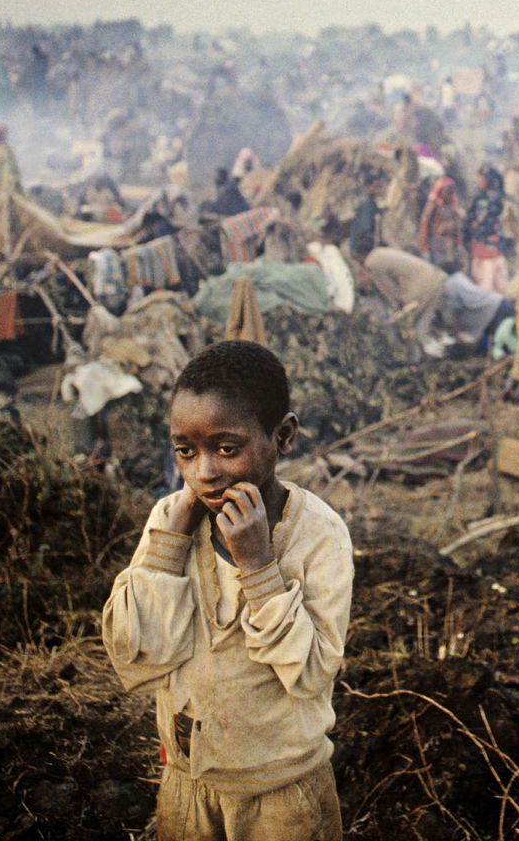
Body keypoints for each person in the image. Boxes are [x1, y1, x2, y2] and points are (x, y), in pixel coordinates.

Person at [101, 341, 351, 841]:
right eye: (186, 451)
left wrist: (258, 566)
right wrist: (166, 551)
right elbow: (136, 655)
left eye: (226, 448)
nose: (203, 472)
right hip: (187, 783)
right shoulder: (171, 521)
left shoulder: (318, 534)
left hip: (282, 789)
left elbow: (311, 673)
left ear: (282, 436)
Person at [364, 246, 448, 346]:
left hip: (421, 287)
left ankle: (417, 356)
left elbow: (389, 290)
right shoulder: (381, 252)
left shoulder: (371, 262)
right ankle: (430, 351)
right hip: (437, 278)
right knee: (423, 327)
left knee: (411, 328)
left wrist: (398, 306)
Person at [464, 165, 510, 295]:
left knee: (486, 281)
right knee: (497, 282)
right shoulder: (494, 195)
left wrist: (471, 226)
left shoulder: (490, 198)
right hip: (488, 245)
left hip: (487, 245)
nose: (480, 181)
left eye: (482, 178)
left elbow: (477, 220)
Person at [417, 176, 464, 272]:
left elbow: (458, 229)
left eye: (451, 191)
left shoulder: (453, 206)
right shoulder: (433, 204)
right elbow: (424, 226)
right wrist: (424, 250)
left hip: (449, 244)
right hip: (435, 243)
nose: (449, 194)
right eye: (447, 190)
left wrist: (459, 245)